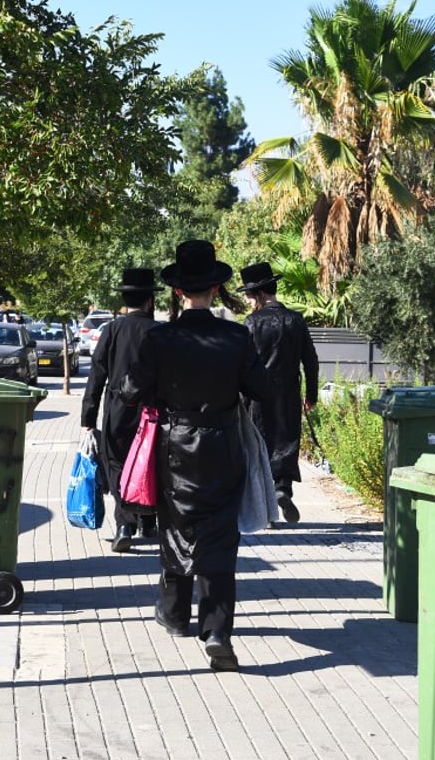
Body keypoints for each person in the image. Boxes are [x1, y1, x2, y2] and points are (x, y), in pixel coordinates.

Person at [119, 240, 271, 672]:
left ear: (180, 292)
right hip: (224, 444)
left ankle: (174, 613)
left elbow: (130, 392)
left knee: (176, 526)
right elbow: (264, 390)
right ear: (216, 289)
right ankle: (218, 631)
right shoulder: (237, 336)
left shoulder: (160, 338)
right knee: (222, 536)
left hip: (175, 445)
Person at [81, 268, 162, 552]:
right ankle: (149, 521)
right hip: (153, 412)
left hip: (118, 410)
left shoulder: (113, 330)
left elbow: (96, 375)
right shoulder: (160, 332)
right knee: (150, 463)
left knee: (117, 465)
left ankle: (125, 523)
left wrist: (88, 417)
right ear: (150, 301)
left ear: (125, 301)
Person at [236, 261, 320, 524]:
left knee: (259, 444)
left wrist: (238, 394)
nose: (249, 302)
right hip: (289, 392)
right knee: (286, 441)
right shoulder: (295, 320)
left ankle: (267, 509)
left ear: (260, 294)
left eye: (250, 297)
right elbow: (311, 360)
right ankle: (283, 489)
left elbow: (242, 363)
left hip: (257, 395)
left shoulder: (250, 323)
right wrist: (312, 395)